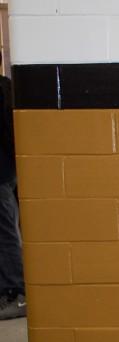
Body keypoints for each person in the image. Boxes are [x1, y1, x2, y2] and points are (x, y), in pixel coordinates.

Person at [0, 58, 24, 320]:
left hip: (3, 173)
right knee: (7, 231)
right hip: (9, 171)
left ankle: (16, 292)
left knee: (6, 233)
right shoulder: (7, 88)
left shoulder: (2, 90)